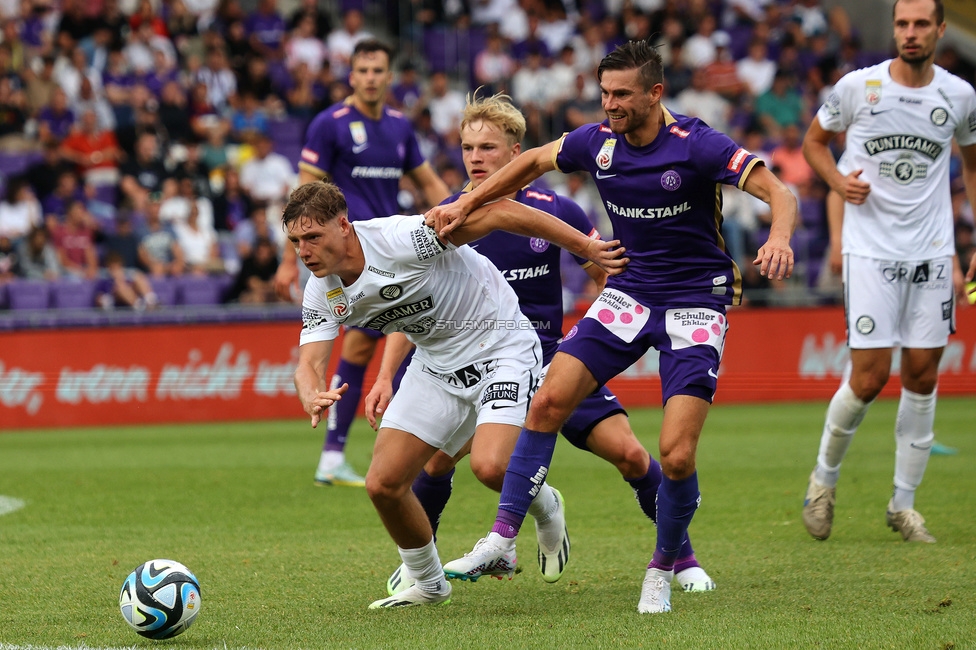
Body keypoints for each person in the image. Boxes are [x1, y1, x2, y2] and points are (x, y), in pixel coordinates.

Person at [427, 39, 797, 614]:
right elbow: (528, 163)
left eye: (622, 94)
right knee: (547, 401)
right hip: (629, 292)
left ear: (655, 93)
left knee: (673, 455)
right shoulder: (596, 143)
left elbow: (778, 189)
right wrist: (469, 199)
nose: (610, 105)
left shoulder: (696, 144)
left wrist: (777, 237)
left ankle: (664, 568)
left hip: (694, 301)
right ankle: (502, 539)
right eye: (604, 93)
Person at [373, 92, 717, 600]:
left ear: (516, 154)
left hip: (553, 360)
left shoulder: (557, 210)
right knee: (437, 461)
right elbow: (412, 306)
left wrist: (604, 341)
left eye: (488, 147)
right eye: (468, 147)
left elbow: (608, 273)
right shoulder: (445, 220)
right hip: (482, 365)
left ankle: (682, 556)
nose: (475, 158)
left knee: (628, 454)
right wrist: (385, 376)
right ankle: (422, 569)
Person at [285, 180, 625, 609]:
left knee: (490, 466)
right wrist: (311, 393)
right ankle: (429, 584)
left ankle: (545, 504)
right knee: (383, 484)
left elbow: (500, 212)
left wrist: (586, 248)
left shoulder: (402, 239)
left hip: (501, 347)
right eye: (296, 241)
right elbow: (309, 364)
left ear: (344, 225)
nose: (304, 250)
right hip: (435, 365)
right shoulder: (321, 290)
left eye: (312, 237)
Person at [800, 0, 976, 544]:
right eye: (902, 23)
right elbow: (813, 144)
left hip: (930, 253)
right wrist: (836, 182)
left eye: (922, 24)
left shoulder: (959, 95)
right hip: (871, 252)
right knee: (871, 377)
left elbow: (972, 163)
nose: (910, 33)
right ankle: (822, 482)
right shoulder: (859, 87)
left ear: (940, 30)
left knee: (923, 375)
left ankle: (903, 505)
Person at [274, 39, 450, 487]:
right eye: (363, 70)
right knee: (368, 344)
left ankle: (348, 452)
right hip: (345, 259)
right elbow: (302, 203)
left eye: (379, 70)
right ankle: (344, 454)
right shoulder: (329, 125)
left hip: (392, 253)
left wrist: (457, 217)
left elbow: (428, 183)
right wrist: (288, 262)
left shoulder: (398, 126)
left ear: (389, 77)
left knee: (389, 340)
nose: (371, 77)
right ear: (351, 76)